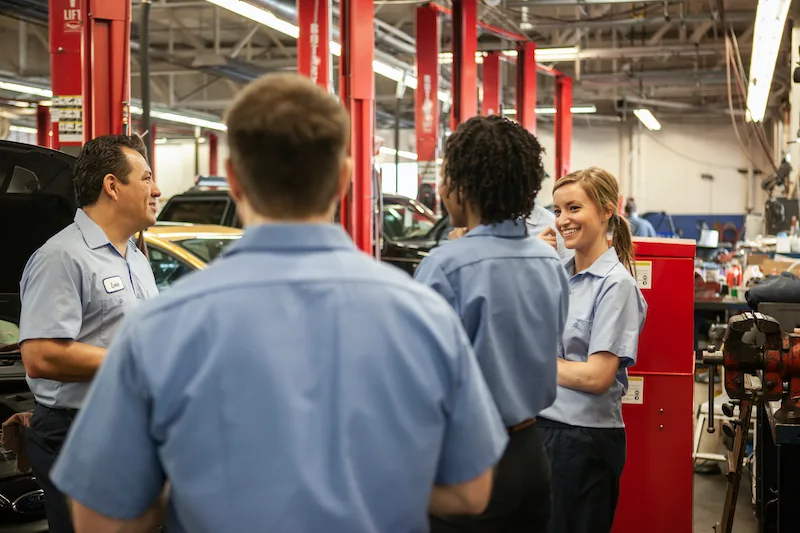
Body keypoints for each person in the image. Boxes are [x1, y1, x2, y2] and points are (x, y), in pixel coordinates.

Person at [49, 73, 509, 533]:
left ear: (233, 179)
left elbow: (98, 520)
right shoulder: (423, 315)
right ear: (344, 177)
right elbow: (470, 492)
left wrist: (190, 487)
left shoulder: (159, 328)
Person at [414, 114, 570, 533]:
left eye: (445, 177)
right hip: (532, 456)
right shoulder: (548, 263)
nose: (441, 189)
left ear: (465, 186)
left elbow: (421, 379)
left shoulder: (445, 267)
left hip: (467, 461)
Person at [17, 134, 161, 533]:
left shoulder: (135, 258)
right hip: (77, 433)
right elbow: (41, 355)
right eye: (146, 178)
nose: (156, 190)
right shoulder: (62, 256)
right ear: (112, 186)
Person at [537, 167, 648, 533]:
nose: (562, 220)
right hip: (544, 428)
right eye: (557, 211)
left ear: (606, 211)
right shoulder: (558, 273)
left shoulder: (616, 286)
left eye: (574, 208)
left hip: (582, 440)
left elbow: (597, 376)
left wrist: (531, 362)